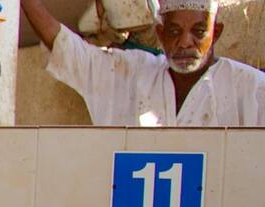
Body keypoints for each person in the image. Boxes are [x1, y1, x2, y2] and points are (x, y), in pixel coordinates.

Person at [22, 0, 265, 126]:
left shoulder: (252, 89)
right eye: (174, 31)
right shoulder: (133, 73)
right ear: (160, 34)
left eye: (199, 31)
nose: (184, 42)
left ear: (217, 33)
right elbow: (69, 51)